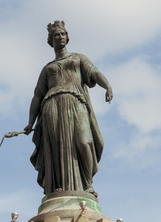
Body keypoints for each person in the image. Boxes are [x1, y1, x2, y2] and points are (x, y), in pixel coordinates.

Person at [24, 21, 113, 197]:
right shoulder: (47, 68)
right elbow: (37, 96)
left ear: (67, 37)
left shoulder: (78, 58)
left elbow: (94, 73)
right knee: (57, 146)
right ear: (51, 40)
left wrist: (108, 86)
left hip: (75, 102)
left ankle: (87, 185)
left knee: (83, 141)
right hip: (52, 106)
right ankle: (59, 185)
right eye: (56, 35)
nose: (60, 37)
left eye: (63, 34)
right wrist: (30, 122)